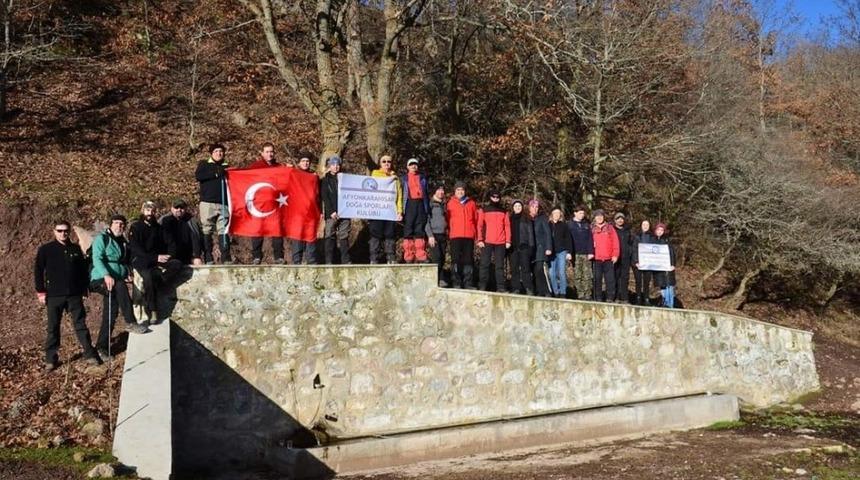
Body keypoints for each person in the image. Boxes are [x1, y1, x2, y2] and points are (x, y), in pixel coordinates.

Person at [34, 220, 100, 370]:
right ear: (54, 231)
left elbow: (83, 271)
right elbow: (38, 271)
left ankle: (90, 354)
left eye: (65, 231)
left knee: (81, 325)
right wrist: (41, 291)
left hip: (74, 295)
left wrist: (84, 288)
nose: (63, 233)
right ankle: (51, 359)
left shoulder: (75, 249)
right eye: (60, 231)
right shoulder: (46, 249)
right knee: (53, 327)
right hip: (54, 295)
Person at [89, 215, 148, 360]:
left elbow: (125, 261)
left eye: (122, 224)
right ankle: (130, 321)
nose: (119, 226)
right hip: (100, 279)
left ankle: (102, 348)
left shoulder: (122, 242)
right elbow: (97, 258)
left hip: (115, 280)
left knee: (111, 313)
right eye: (116, 223)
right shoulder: (102, 239)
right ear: (110, 225)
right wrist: (106, 275)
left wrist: (127, 272)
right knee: (120, 285)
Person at [129, 201, 183, 322]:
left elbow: (170, 243)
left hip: (157, 261)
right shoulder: (135, 227)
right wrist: (155, 258)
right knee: (148, 278)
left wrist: (169, 255)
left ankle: (160, 280)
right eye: (148, 210)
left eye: (152, 211)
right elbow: (136, 249)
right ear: (143, 211)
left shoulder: (158, 228)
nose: (150, 213)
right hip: (142, 261)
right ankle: (153, 310)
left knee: (177, 264)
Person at [246, 142, 285, 264]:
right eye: (267, 152)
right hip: (259, 204)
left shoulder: (279, 167)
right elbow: (246, 180)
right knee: (257, 231)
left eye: (271, 151)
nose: (270, 154)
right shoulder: (255, 167)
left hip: (275, 205)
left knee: (277, 232)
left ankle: (279, 257)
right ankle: (256, 257)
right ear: (262, 153)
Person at [195, 143, 232, 264]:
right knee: (207, 229)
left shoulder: (227, 167)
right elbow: (199, 176)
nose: (219, 153)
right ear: (211, 153)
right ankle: (208, 256)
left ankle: (226, 257)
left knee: (223, 229)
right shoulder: (204, 164)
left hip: (223, 203)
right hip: (208, 202)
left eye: (221, 151)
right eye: (216, 151)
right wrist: (216, 173)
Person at [369, 155, 403, 264]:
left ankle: (391, 257)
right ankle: (374, 258)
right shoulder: (374, 175)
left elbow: (399, 196)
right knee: (375, 235)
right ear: (380, 163)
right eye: (384, 161)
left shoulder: (395, 179)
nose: (386, 163)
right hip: (377, 211)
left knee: (390, 234)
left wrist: (399, 211)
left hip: (390, 211)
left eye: (389, 161)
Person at [446, 181, 478, 288]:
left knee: (468, 259)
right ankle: (456, 282)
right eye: (458, 190)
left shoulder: (472, 203)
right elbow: (447, 219)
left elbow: (475, 219)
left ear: (465, 191)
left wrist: (476, 235)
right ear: (455, 191)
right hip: (455, 235)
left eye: (462, 190)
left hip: (469, 235)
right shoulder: (450, 203)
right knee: (455, 259)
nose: (460, 192)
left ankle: (468, 282)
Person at [477, 190, 511, 292]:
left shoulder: (504, 211)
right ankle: (482, 285)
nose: (495, 199)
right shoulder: (484, 210)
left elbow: (507, 226)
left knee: (500, 266)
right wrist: (480, 239)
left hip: (501, 242)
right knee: (484, 264)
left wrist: (508, 240)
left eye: (497, 197)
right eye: (493, 197)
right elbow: (479, 225)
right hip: (487, 241)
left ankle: (500, 287)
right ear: (490, 197)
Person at [320, 156, 351, 264]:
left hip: (345, 212)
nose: (336, 167)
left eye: (337, 164)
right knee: (329, 236)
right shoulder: (325, 180)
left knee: (344, 236)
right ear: (330, 166)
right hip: (331, 213)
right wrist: (331, 211)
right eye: (333, 164)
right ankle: (328, 261)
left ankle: (345, 261)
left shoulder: (346, 179)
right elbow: (325, 197)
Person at [291, 154, 320, 264]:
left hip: (311, 211)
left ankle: (311, 261)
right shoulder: (294, 174)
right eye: (303, 161)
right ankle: (297, 261)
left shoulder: (314, 177)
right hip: (297, 212)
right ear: (299, 163)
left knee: (310, 235)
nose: (305, 163)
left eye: (307, 161)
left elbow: (318, 195)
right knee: (297, 235)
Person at [401, 158, 430, 263]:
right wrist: (400, 210)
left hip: (421, 204)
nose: (414, 166)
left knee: (420, 229)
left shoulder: (423, 178)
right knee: (408, 229)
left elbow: (427, 194)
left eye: (415, 165)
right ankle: (408, 255)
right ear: (407, 167)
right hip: (409, 203)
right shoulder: (403, 179)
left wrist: (427, 209)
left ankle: (421, 255)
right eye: (411, 165)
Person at [159, 199, 204, 266]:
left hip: (187, 256)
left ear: (185, 209)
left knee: (198, 264)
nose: (179, 210)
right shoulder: (164, 220)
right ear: (172, 208)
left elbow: (196, 238)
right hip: (168, 256)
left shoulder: (191, 221)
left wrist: (196, 256)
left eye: (182, 208)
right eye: (176, 207)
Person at [591, 209, 619, 302]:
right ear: (595, 218)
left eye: (601, 216)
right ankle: (598, 297)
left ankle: (610, 297)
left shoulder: (610, 228)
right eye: (597, 216)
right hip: (596, 258)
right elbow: (588, 242)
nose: (599, 218)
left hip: (608, 258)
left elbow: (615, 242)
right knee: (597, 279)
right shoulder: (591, 228)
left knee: (610, 280)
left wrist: (615, 254)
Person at [425, 184, 449, 287]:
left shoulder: (444, 204)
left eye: (442, 190)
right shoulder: (429, 204)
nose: (441, 192)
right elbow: (426, 221)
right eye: (439, 190)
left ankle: (440, 279)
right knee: (436, 258)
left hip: (443, 235)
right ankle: (437, 280)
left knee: (443, 258)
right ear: (435, 192)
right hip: (433, 235)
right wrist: (430, 235)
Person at [509, 200, 535, 295]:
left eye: (519, 206)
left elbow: (530, 233)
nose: (517, 207)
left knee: (525, 269)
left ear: (522, 207)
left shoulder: (526, 218)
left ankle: (528, 288)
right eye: (515, 206)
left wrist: (531, 247)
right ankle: (516, 288)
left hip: (524, 247)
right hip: (512, 248)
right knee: (514, 269)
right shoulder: (510, 219)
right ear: (513, 208)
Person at [568, 205, 594, 300]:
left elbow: (590, 239)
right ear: (575, 213)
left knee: (587, 274)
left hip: (586, 253)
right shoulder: (570, 224)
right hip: (576, 253)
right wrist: (569, 252)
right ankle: (580, 293)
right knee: (578, 274)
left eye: (583, 213)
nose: (582, 215)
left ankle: (588, 294)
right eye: (580, 213)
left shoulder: (586, 225)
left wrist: (591, 251)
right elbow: (568, 239)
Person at [528, 199, 553, 297]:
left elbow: (548, 233)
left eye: (536, 207)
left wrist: (548, 247)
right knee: (533, 270)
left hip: (540, 248)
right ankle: (538, 291)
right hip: (530, 248)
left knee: (539, 269)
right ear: (529, 208)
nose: (534, 209)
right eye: (533, 207)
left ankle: (546, 291)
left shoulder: (542, 218)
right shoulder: (527, 218)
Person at [548, 206, 573, 298]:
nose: (557, 215)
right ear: (552, 214)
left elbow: (568, 239)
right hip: (551, 252)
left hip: (562, 251)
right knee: (551, 273)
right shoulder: (548, 224)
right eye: (555, 213)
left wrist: (569, 252)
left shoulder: (564, 225)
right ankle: (555, 291)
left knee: (561, 272)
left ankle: (563, 292)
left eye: (558, 213)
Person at [651, 223, 677, 308]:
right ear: (655, 231)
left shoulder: (667, 241)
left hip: (667, 267)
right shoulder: (653, 240)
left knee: (669, 285)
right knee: (662, 285)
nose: (660, 232)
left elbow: (672, 253)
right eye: (658, 230)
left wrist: (673, 264)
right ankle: (664, 302)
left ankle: (670, 304)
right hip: (658, 268)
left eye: (661, 230)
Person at [632, 219, 656, 305]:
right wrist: (636, 261)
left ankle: (646, 298)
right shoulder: (636, 236)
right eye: (643, 224)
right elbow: (634, 249)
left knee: (647, 282)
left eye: (647, 225)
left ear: (649, 226)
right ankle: (638, 297)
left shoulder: (653, 237)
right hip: (638, 263)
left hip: (648, 264)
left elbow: (654, 250)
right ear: (641, 226)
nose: (645, 226)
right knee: (638, 281)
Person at [613, 212, 634, 303]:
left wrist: (630, 252)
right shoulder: (612, 230)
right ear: (615, 220)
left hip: (626, 258)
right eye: (618, 218)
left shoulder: (628, 231)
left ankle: (625, 297)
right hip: (616, 258)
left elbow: (631, 243)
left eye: (622, 218)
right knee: (615, 277)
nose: (620, 220)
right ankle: (616, 297)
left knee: (625, 278)